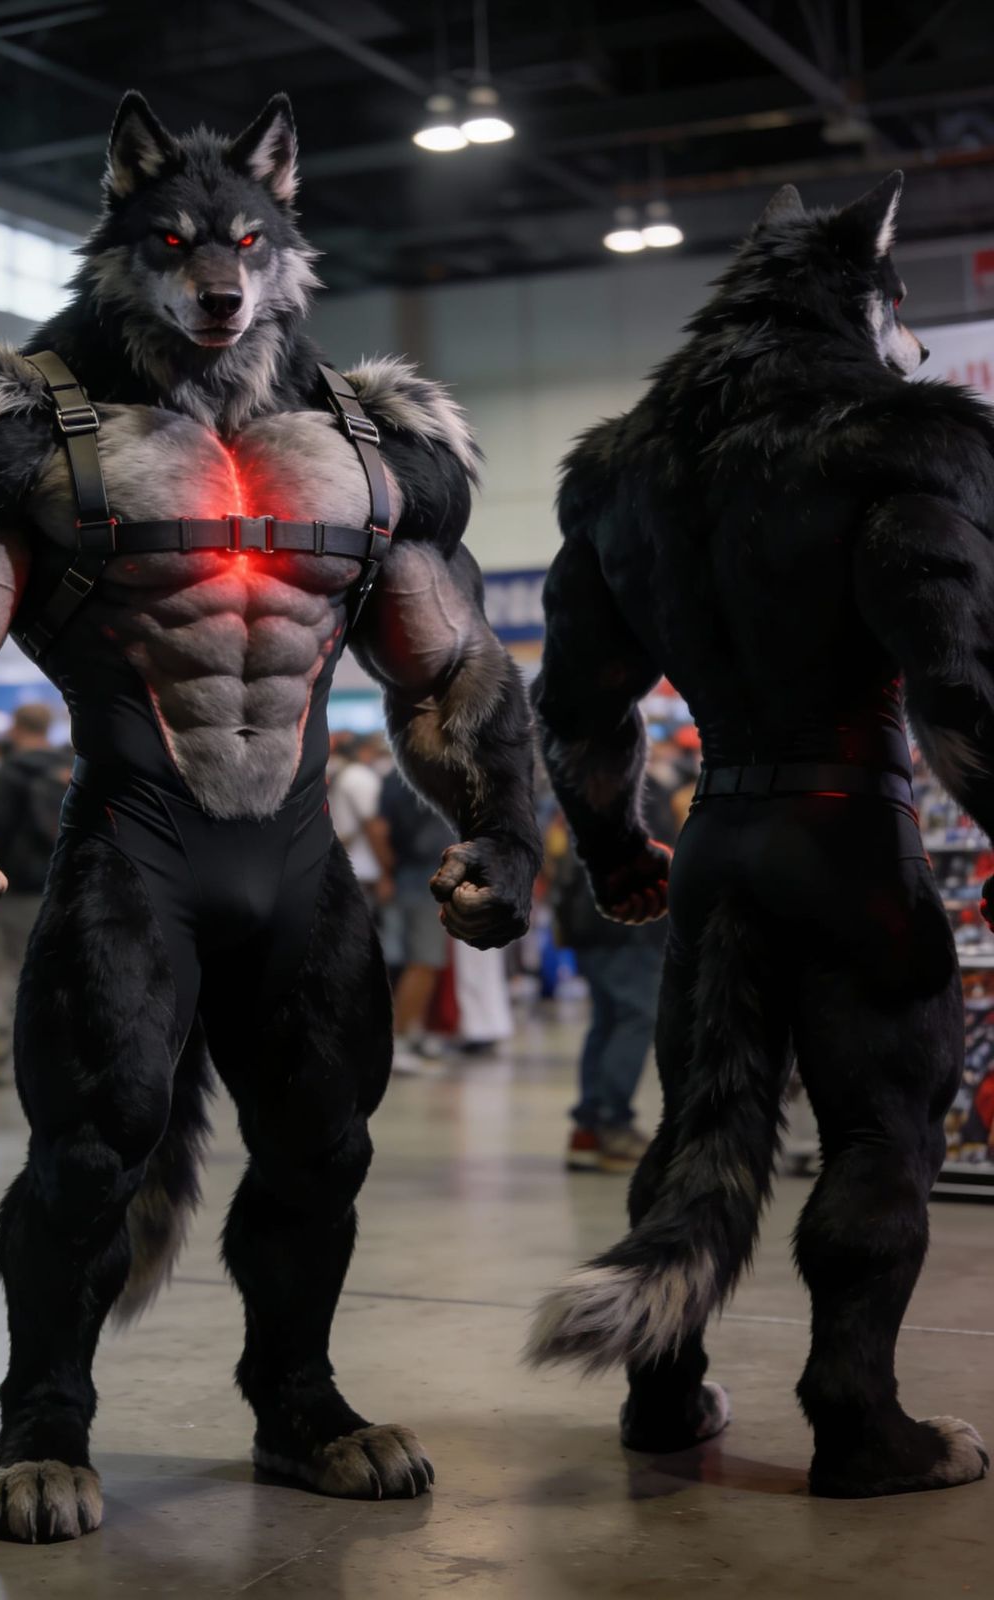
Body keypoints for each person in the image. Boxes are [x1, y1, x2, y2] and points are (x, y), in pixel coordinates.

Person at [0, 91, 540, 1541]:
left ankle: (299, 1400)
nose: (216, 277)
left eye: (244, 246)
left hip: (298, 854)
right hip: (132, 842)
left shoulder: (365, 442)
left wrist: (507, 826)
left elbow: (452, 660)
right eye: (176, 247)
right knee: (92, 1149)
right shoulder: (21, 430)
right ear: (126, 246)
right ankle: (44, 1417)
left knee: (326, 1146)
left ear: (283, 248)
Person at [528, 173, 989, 1497]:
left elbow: (578, 707)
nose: (908, 340)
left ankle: (661, 1397)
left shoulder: (619, 469)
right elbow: (955, 685)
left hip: (718, 838)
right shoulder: (901, 438)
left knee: (699, 1127)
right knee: (882, 1133)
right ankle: (857, 1418)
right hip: (852, 838)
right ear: (869, 291)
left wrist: (616, 851)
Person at [552, 775, 676, 1172]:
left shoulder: (581, 782)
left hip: (590, 919)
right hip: (628, 922)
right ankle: (611, 1124)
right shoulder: (640, 786)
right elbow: (657, 854)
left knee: (607, 1020)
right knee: (634, 1016)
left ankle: (589, 1129)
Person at [0, 702, 70, 1083]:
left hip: (14, 890)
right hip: (65, 888)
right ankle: (63, 1053)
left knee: (5, 972)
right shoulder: (70, 770)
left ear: (16, 728)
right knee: (60, 970)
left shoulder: (7, 776)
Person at [371, 766, 455, 1071]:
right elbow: (378, 829)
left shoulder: (396, 776)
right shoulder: (427, 774)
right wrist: (388, 869)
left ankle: (411, 1032)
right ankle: (400, 1041)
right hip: (422, 875)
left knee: (418, 960)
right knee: (423, 961)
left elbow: (380, 828)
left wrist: (388, 870)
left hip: (415, 874)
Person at [328, 732, 389, 908]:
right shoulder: (359, 776)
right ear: (364, 750)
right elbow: (373, 827)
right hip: (363, 870)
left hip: (348, 866)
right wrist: (386, 872)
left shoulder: (346, 774)